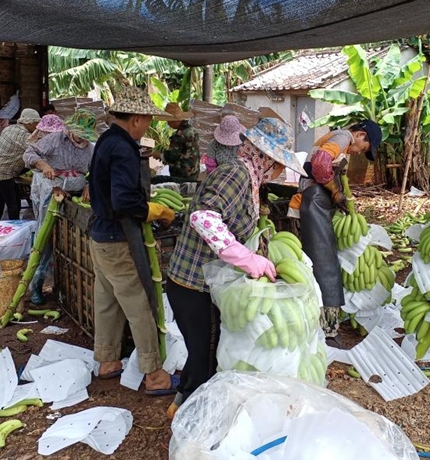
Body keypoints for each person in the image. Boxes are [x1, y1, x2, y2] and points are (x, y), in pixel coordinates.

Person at [166, 117, 307, 418]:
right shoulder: (236, 174)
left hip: (196, 283)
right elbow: (204, 217)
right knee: (207, 359)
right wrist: (245, 257)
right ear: (265, 158)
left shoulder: (247, 177)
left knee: (201, 352)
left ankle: (179, 403)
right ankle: (192, 429)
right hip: (194, 286)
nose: (280, 171)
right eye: (279, 164)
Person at [87, 86, 178, 394]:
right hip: (117, 238)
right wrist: (154, 210)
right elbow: (125, 201)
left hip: (99, 235)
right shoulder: (123, 148)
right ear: (137, 119)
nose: (149, 126)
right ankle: (154, 374)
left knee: (108, 301)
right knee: (139, 303)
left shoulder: (107, 140)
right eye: (149, 120)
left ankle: (108, 361)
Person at [289, 120, 382, 340]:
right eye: (363, 148)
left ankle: (319, 317)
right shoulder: (343, 138)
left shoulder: (335, 138)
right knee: (325, 261)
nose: (359, 152)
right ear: (360, 135)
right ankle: (328, 325)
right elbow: (321, 163)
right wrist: (334, 191)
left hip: (314, 201)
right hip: (315, 201)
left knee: (319, 258)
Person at [24, 109, 97, 304]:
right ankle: (36, 285)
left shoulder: (90, 149)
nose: (81, 138)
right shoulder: (55, 140)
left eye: (85, 135)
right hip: (52, 191)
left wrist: (90, 184)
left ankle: (65, 284)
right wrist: (44, 166)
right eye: (79, 133)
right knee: (45, 238)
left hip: (75, 195)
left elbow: (93, 171)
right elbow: (30, 153)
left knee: (71, 239)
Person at [0, 109, 40, 223]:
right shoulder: (24, 136)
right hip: (4, 172)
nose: (37, 127)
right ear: (29, 122)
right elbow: (37, 153)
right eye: (36, 123)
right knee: (13, 204)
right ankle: (15, 228)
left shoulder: (9, 128)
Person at [161, 103, 200, 181]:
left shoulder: (180, 134)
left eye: (169, 121)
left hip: (182, 174)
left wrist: (160, 155)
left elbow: (172, 156)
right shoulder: (192, 130)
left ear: (175, 120)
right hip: (194, 171)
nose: (168, 124)